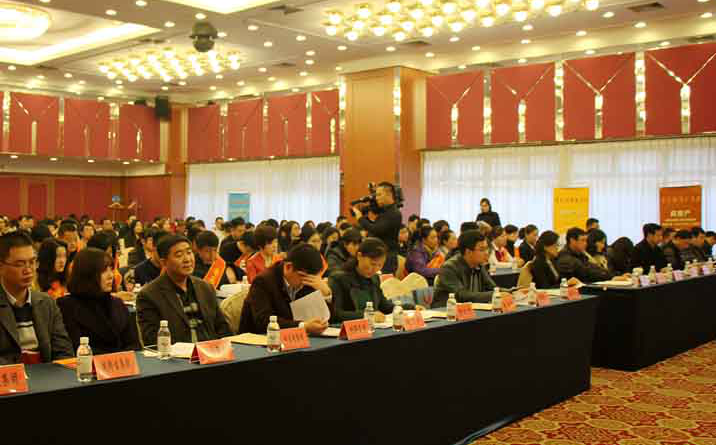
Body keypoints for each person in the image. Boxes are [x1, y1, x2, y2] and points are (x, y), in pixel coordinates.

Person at [136, 235, 232, 346]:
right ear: (164, 262)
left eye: (189, 252)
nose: (187, 259)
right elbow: (153, 340)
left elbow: (223, 328)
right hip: (177, 355)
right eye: (179, 255)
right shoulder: (149, 295)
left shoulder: (205, 287)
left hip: (211, 352)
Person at [0, 232, 73, 365]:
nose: (28, 270)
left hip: (47, 375)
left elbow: (63, 351)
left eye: (32, 262)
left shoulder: (46, 302)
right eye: (20, 264)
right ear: (1, 266)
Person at [57, 248, 140, 354]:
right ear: (87, 273)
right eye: (104, 271)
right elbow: (75, 347)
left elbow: (134, 345)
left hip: (123, 361)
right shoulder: (66, 306)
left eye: (111, 269)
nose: (111, 276)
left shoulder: (117, 304)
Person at [238, 243, 331, 335]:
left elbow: (330, 320)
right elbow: (263, 321)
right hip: (258, 339)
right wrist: (303, 326)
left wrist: (326, 294)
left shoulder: (308, 281)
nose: (305, 283)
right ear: (288, 267)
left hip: (297, 339)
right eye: (303, 277)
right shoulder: (263, 281)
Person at [330, 238, 415, 323]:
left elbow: (385, 306)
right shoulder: (339, 279)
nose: (375, 269)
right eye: (373, 264)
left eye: (380, 265)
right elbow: (336, 314)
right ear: (359, 256)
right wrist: (367, 316)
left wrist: (411, 307)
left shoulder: (375, 279)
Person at [434, 230, 511, 308]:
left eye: (487, 248)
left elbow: (492, 288)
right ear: (468, 252)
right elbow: (462, 295)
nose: (486, 253)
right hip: (446, 311)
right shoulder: (449, 268)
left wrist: (511, 292)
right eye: (482, 249)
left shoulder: (479, 264)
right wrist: (495, 295)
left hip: (473, 309)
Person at [352, 182, 402, 275]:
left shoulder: (393, 213)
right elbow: (375, 227)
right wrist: (364, 217)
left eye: (379, 195)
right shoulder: (386, 212)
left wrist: (360, 218)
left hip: (387, 257)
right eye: (376, 195)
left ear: (389, 194)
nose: (376, 198)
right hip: (381, 255)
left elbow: (375, 229)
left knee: (384, 282)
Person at [557, 228, 624, 283]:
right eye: (582, 240)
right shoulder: (565, 257)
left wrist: (617, 275)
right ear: (572, 241)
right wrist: (612, 277)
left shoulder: (581, 255)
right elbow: (588, 272)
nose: (585, 243)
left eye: (586, 240)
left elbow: (595, 268)